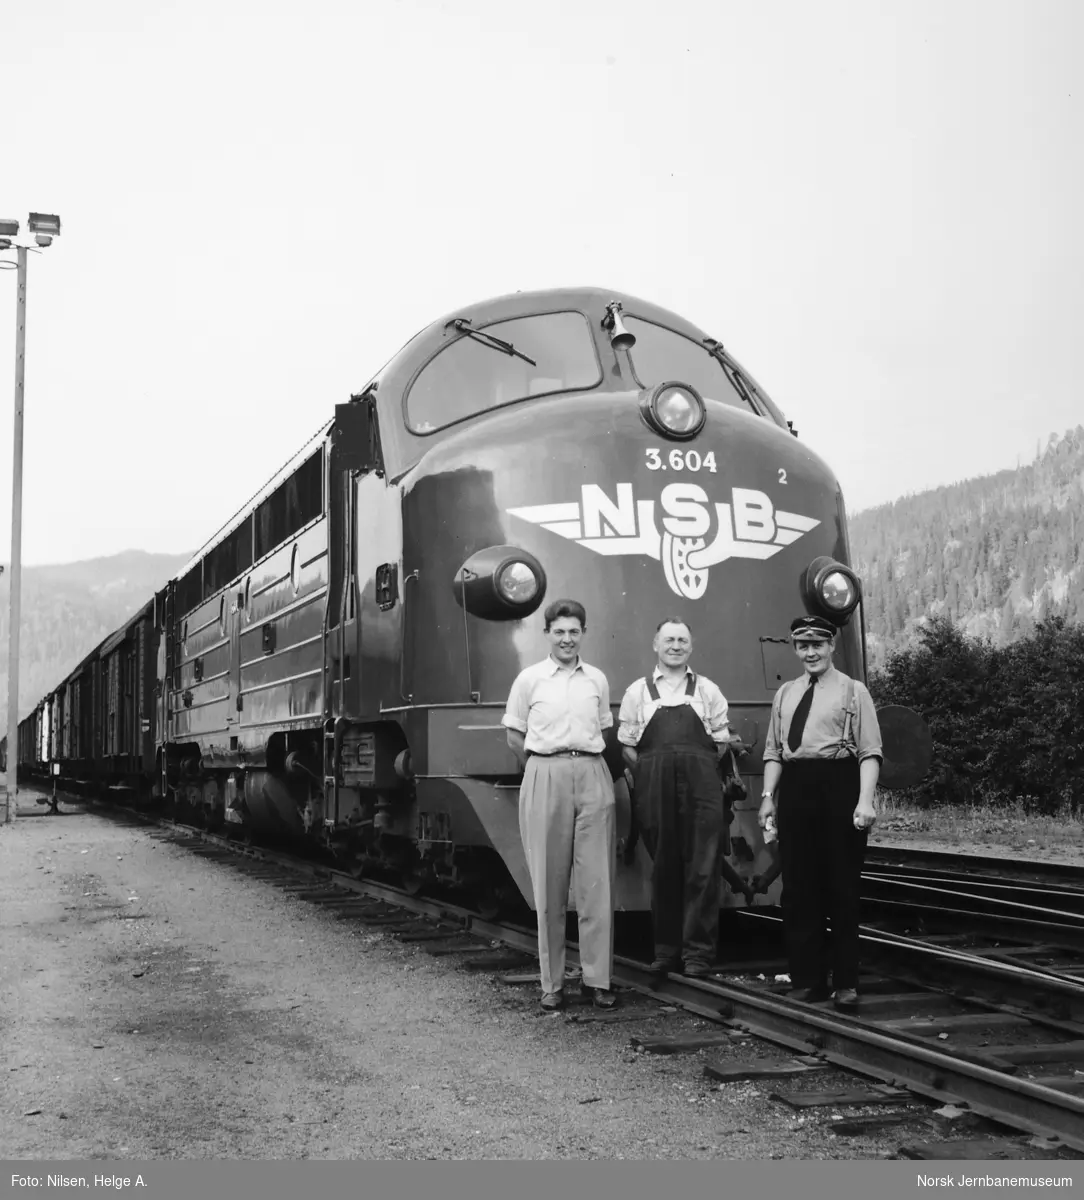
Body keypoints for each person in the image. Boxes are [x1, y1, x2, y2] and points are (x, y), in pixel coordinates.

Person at [758, 614, 882, 1012]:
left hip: (838, 784)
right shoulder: (786, 693)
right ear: (795, 649)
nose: (810, 652)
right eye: (803, 645)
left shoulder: (853, 690)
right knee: (798, 889)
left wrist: (865, 800)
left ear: (831, 646)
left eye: (818, 644)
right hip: (796, 788)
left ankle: (845, 982)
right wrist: (767, 796)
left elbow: (870, 752)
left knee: (841, 888)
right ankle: (807, 979)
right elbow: (774, 752)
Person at [503, 599, 618, 1011]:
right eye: (559, 631)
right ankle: (552, 985)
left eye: (574, 631)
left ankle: (597, 981)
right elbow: (515, 737)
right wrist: (542, 769)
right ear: (547, 633)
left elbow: (606, 727)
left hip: (592, 772)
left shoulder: (597, 680)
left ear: (582, 633)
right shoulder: (529, 680)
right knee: (549, 887)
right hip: (545, 772)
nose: (567, 639)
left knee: (596, 886)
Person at [617, 618, 744, 980]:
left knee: (703, 868)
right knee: (664, 869)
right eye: (669, 640)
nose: (676, 646)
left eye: (682, 640)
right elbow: (627, 744)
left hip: (702, 788)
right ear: (656, 644)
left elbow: (720, 742)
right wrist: (650, 772)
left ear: (690, 647)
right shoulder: (636, 692)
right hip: (655, 788)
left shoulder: (708, 690)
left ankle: (698, 956)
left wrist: (697, 768)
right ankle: (666, 951)